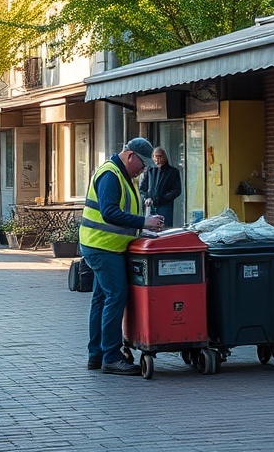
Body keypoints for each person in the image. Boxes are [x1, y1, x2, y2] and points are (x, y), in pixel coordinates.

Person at [79, 137, 163, 375]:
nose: (143, 169)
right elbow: (109, 212)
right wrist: (143, 222)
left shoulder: (121, 175)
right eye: (142, 163)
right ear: (130, 156)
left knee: (102, 299)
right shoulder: (111, 175)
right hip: (103, 247)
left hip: (102, 245)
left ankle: (97, 354)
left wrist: (141, 229)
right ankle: (111, 356)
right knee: (116, 296)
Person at [139, 146, 181, 227]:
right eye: (155, 156)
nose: (157, 159)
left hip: (165, 206)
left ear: (165, 157)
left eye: (159, 156)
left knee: (164, 228)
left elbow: (177, 190)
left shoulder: (173, 172)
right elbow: (142, 188)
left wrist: (163, 198)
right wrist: (146, 198)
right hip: (150, 206)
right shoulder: (149, 170)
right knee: (150, 228)